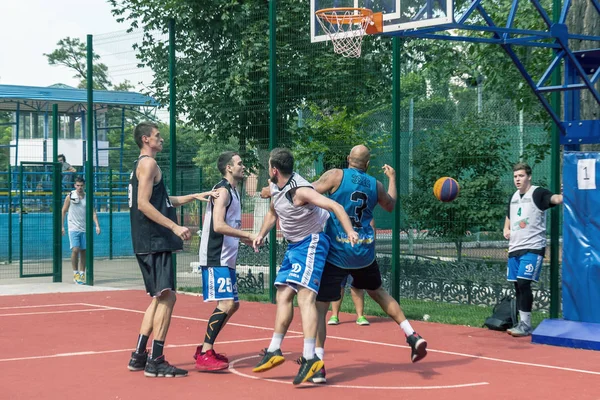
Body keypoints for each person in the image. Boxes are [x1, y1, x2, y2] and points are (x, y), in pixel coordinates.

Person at [310, 145, 427, 384]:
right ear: (368, 163)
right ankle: (411, 334)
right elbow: (391, 204)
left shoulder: (335, 175)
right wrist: (392, 178)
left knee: (320, 307)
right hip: (363, 251)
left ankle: (318, 365)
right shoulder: (376, 184)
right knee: (379, 292)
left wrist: (275, 191)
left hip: (338, 252)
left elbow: (307, 192)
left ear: (348, 159)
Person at [251, 147, 359, 385]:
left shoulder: (301, 191)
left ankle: (310, 358)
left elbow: (335, 207)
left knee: (306, 298)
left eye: (268, 166)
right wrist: (260, 234)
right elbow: (272, 212)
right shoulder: (277, 187)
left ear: (274, 169)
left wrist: (350, 230)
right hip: (294, 247)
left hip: (312, 243)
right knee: (283, 294)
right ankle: (274, 350)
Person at [127, 122, 217, 378]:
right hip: (154, 240)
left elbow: (162, 201)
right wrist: (175, 227)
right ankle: (156, 360)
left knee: (159, 296)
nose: (161, 139)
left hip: (147, 241)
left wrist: (194, 195)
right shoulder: (148, 164)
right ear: (146, 139)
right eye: (157, 136)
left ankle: (139, 355)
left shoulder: (141, 166)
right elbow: (144, 205)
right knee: (168, 297)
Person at [193, 151, 256, 371]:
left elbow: (231, 226)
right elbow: (218, 226)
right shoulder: (222, 191)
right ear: (228, 167)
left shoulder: (234, 191)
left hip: (226, 257)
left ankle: (205, 348)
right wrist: (247, 235)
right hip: (215, 256)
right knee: (227, 303)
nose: (243, 166)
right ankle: (204, 352)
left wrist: (247, 241)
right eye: (239, 163)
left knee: (233, 305)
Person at [503, 162, 563, 337]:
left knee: (523, 283)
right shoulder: (513, 196)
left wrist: (563, 195)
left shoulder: (538, 193)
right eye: (515, 176)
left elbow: (555, 199)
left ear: (529, 177)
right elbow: (509, 215)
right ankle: (522, 322)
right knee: (517, 286)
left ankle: (526, 325)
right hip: (514, 247)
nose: (517, 179)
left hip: (533, 247)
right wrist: (506, 229)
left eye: (521, 176)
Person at [61, 176, 100, 285]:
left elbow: (93, 212)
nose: (79, 187)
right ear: (74, 186)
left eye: (81, 186)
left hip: (85, 228)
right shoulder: (70, 196)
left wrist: (97, 225)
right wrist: (62, 226)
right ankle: (75, 273)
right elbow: (63, 211)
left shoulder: (87, 197)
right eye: (77, 185)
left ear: (84, 186)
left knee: (84, 251)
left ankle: (82, 274)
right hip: (73, 227)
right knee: (75, 249)